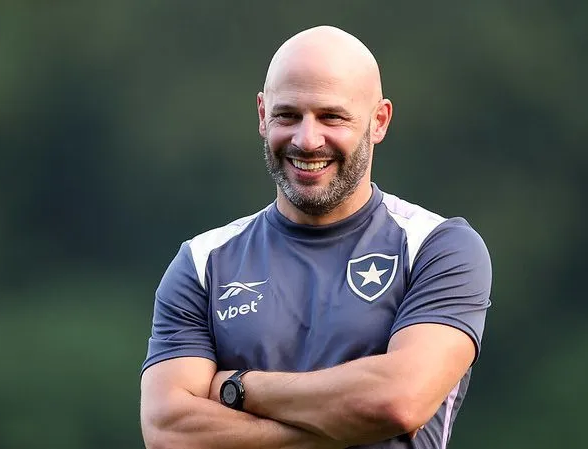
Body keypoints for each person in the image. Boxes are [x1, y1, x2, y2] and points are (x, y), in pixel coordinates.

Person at [139, 25, 492, 449]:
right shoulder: (202, 264)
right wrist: (343, 423)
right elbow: (168, 431)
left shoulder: (437, 248)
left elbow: (398, 403)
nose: (307, 140)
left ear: (379, 121)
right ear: (261, 115)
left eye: (332, 116)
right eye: (288, 115)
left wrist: (237, 388)